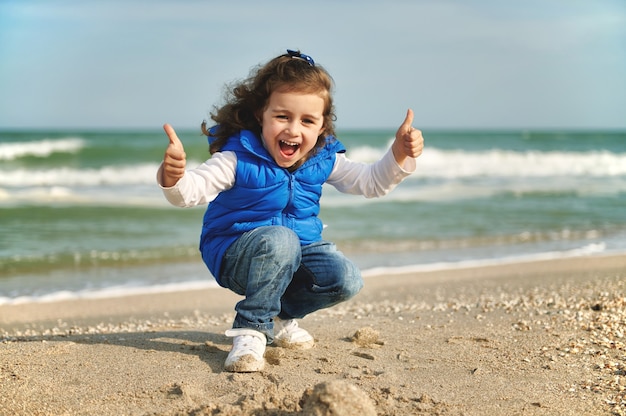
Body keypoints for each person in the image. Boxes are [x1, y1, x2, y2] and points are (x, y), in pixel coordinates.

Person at [158, 49, 424, 373]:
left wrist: (398, 155)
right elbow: (191, 190)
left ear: (322, 125)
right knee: (282, 240)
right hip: (235, 254)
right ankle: (251, 330)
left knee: (345, 277)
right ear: (261, 115)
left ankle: (281, 317)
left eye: (307, 121)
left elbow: (371, 183)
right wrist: (173, 177)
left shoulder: (323, 158)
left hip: (292, 255)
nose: (294, 130)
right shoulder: (237, 158)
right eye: (282, 117)